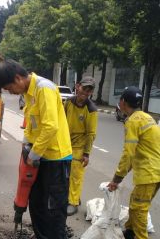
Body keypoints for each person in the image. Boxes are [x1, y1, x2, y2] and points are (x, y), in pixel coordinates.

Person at [0, 59, 72, 239]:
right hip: (40, 159)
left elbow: (50, 126)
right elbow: (32, 125)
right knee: (36, 205)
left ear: (18, 78)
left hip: (56, 160)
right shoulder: (29, 93)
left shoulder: (44, 88)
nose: (10, 92)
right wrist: (26, 145)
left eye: (9, 88)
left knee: (53, 211)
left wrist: (33, 154)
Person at [107, 86, 160, 239]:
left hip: (149, 172)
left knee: (139, 208)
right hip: (156, 170)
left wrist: (117, 179)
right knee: (135, 201)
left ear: (123, 102)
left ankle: (140, 236)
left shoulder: (132, 121)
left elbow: (128, 154)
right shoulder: (147, 117)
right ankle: (130, 230)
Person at [64, 77, 98, 216]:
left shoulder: (91, 110)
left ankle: (72, 203)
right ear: (78, 86)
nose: (86, 92)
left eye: (89, 90)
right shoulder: (68, 102)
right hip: (65, 143)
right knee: (65, 175)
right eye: (84, 88)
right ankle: (73, 197)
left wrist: (86, 154)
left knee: (75, 176)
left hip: (79, 146)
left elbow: (91, 134)